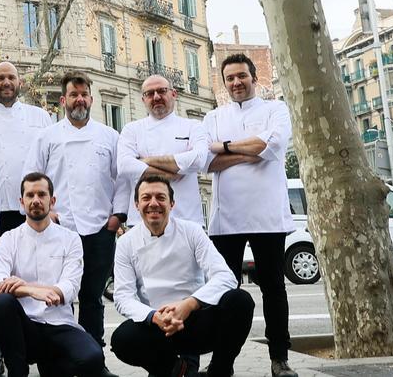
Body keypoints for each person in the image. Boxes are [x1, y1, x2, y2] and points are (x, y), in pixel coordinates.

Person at [23, 71, 125, 377]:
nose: (79, 99)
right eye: (74, 94)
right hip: (60, 229)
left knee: (92, 297)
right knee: (57, 297)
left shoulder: (110, 136)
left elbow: (122, 179)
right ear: (64, 99)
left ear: (91, 99)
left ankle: (95, 360)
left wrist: (117, 215)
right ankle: (59, 362)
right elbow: (32, 176)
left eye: (84, 94)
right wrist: (48, 214)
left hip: (99, 229)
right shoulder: (48, 137)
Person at [205, 53, 297, 377]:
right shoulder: (213, 117)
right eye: (230, 78)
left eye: (242, 76)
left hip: (268, 215)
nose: (236, 82)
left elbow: (271, 146)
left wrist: (225, 147)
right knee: (225, 291)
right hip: (225, 217)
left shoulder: (276, 110)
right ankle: (222, 362)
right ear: (224, 82)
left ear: (254, 78)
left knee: (274, 288)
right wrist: (250, 150)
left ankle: (279, 359)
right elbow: (206, 162)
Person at [111, 176, 255, 377]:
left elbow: (225, 276)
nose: (154, 203)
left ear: (172, 203)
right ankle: (179, 370)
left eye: (160, 197)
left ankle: (219, 370)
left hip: (195, 320)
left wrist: (189, 304)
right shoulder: (126, 242)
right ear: (137, 204)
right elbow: (123, 296)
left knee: (240, 300)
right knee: (121, 339)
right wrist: (154, 316)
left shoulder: (192, 231)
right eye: (146, 198)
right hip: (158, 326)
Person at [0, 172, 103, 377]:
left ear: (53, 200)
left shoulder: (71, 239)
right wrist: (32, 291)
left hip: (60, 324)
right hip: (24, 330)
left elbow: (69, 286)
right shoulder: (8, 239)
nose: (36, 200)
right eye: (30, 196)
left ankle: (53, 365)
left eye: (42, 194)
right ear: (21, 202)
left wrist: (24, 287)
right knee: (2, 303)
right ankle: (17, 371)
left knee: (92, 359)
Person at [0, 62, 53, 238]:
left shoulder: (41, 117)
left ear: (20, 82)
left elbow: (51, 165)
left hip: (34, 208)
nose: (6, 82)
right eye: (0, 78)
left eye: (11, 77)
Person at [117, 75, 210, 225]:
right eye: (149, 93)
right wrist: (170, 173)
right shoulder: (131, 129)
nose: (156, 97)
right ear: (143, 100)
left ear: (173, 94)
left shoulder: (193, 126)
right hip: (142, 222)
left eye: (161, 91)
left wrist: (146, 161)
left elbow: (198, 159)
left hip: (186, 218)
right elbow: (124, 166)